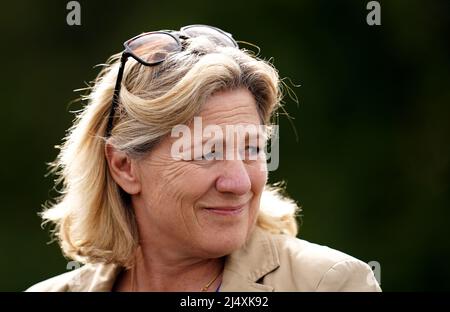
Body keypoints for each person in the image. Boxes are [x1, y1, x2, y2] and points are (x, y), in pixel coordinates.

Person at [26, 25, 381, 292]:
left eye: (252, 149)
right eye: (208, 152)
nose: (239, 183)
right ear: (124, 166)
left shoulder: (331, 283)